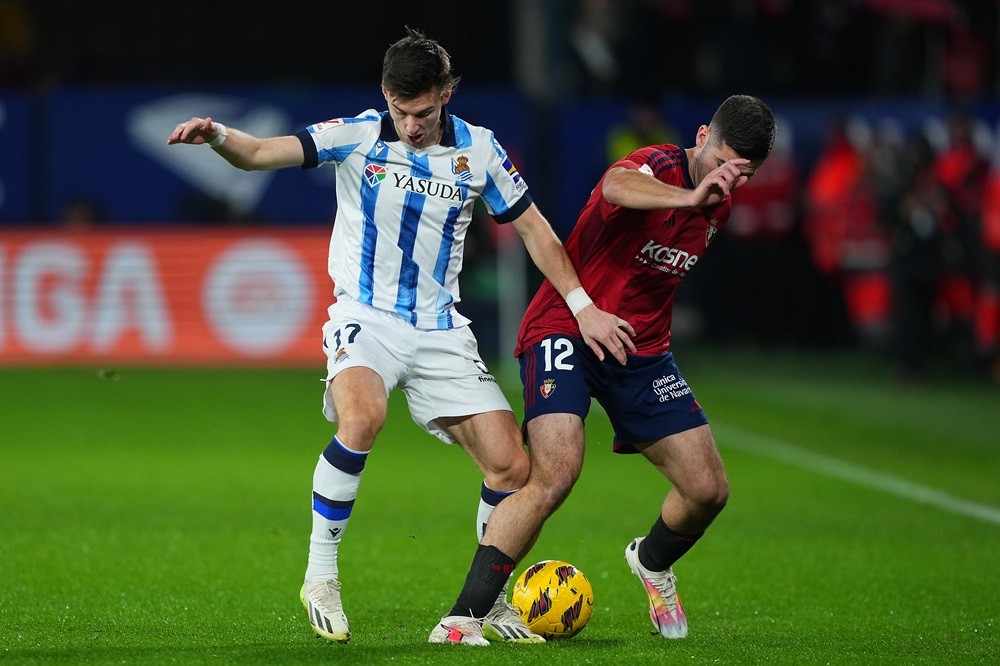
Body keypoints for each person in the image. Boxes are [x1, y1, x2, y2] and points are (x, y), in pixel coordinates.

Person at [166, 27, 634, 646]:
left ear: (447, 92)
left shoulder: (481, 153)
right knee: (362, 419)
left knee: (513, 467)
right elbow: (259, 154)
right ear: (386, 94)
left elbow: (537, 233)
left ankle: (489, 601)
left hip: (442, 330)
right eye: (401, 111)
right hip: (368, 316)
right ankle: (321, 573)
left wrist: (583, 307)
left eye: (424, 112)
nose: (411, 125)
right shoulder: (357, 135)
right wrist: (219, 136)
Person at [440, 94, 775, 641]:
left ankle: (653, 562)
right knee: (555, 472)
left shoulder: (720, 204)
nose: (729, 183)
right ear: (700, 137)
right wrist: (692, 194)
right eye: (722, 166)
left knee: (708, 489)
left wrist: (706, 196)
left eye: (744, 175)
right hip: (567, 325)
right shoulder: (662, 166)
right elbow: (618, 186)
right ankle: (463, 618)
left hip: (640, 352)